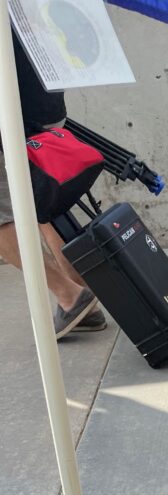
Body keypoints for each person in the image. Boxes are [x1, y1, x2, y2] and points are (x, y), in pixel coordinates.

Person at [0, 31, 105, 339]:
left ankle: (70, 297)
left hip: (10, 113)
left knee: (3, 219)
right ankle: (84, 299)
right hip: (46, 101)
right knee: (44, 205)